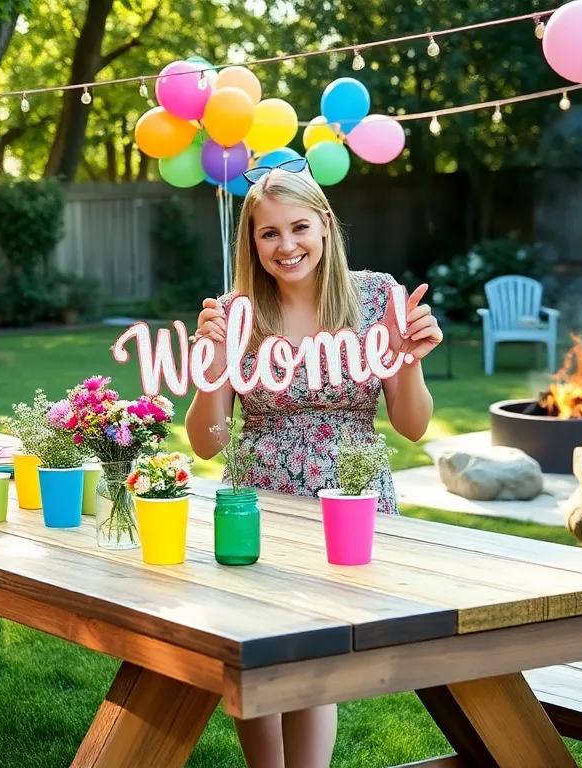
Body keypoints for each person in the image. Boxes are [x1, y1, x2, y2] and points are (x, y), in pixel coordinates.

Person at [184, 162, 442, 768]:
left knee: (313, 658)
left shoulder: (378, 297)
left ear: (325, 224)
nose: (286, 245)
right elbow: (207, 441)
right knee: (258, 654)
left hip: (349, 501)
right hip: (259, 496)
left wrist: (407, 359)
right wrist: (211, 364)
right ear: (251, 241)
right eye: (268, 233)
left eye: (298, 227)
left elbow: (412, 424)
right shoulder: (236, 312)